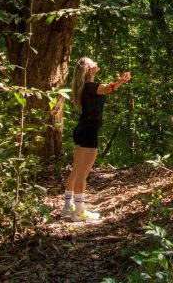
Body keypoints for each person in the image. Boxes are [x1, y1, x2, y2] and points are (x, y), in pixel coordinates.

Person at [61, 57, 131, 222]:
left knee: (76, 170)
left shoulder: (85, 87)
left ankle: (67, 207)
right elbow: (107, 88)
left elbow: (107, 88)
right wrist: (119, 82)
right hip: (88, 132)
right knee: (82, 174)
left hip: (81, 130)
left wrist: (119, 82)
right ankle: (79, 212)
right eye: (93, 63)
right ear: (88, 69)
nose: (96, 64)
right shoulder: (91, 87)